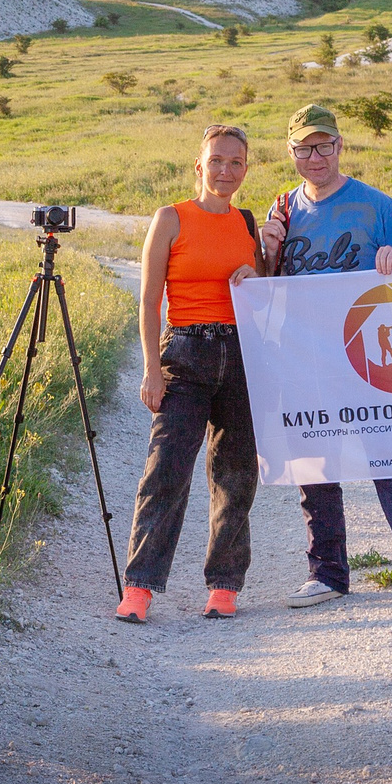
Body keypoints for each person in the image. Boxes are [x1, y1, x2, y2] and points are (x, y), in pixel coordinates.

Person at [256, 104, 392, 605]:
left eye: (324, 145)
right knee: (314, 465)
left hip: (364, 353)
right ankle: (327, 572)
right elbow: (266, 287)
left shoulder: (373, 205)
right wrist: (263, 250)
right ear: (291, 152)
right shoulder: (283, 210)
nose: (315, 156)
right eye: (305, 148)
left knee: (389, 454)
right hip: (303, 357)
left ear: (340, 145)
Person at [116, 124, 263, 625]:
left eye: (235, 162)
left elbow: (264, 289)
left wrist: (255, 275)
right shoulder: (171, 219)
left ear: (246, 169)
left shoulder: (247, 222)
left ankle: (223, 586)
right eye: (216, 161)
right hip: (185, 352)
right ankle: (139, 587)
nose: (225, 170)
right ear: (198, 166)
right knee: (165, 472)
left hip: (241, 356)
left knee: (235, 475)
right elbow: (149, 300)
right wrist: (151, 372)